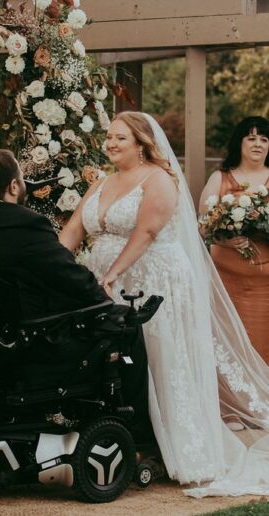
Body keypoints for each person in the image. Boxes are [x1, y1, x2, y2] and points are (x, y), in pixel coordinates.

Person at [59, 111, 269, 497]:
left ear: (141, 143)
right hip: (105, 285)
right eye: (109, 137)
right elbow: (73, 229)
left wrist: (112, 274)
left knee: (160, 359)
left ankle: (174, 446)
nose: (110, 144)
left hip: (154, 281)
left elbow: (148, 232)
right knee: (117, 360)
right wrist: (51, 266)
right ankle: (126, 432)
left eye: (120, 138)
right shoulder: (102, 183)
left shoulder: (160, 180)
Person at [0, 148, 154, 444]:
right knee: (124, 323)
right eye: (22, 179)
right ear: (13, 186)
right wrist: (102, 298)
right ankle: (137, 434)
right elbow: (68, 277)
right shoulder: (25, 223)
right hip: (26, 345)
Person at [199, 116, 269, 364]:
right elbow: (202, 228)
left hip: (265, 288)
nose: (257, 144)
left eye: (263, 138)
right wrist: (225, 241)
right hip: (225, 284)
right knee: (228, 351)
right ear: (239, 143)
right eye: (251, 138)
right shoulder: (220, 179)